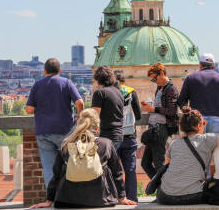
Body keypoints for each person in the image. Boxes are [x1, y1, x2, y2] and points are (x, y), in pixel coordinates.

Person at [29, 109, 137, 208]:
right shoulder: (106, 144)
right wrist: (122, 197)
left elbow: (56, 175)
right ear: (97, 128)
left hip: (68, 201)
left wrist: (49, 200)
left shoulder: (66, 145)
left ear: (78, 126)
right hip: (101, 200)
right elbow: (117, 173)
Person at [26, 58, 84, 187]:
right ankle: (68, 197)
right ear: (60, 70)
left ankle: (52, 200)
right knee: (69, 165)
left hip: (43, 131)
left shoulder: (37, 85)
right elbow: (80, 102)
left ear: (44, 71)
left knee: (49, 168)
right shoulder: (66, 83)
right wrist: (79, 118)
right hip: (65, 131)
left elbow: (29, 109)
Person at [141, 63, 179, 179]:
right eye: (152, 79)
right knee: (145, 163)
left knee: (159, 163)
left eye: (154, 78)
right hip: (154, 127)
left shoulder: (171, 88)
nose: (154, 81)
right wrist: (151, 107)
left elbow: (172, 111)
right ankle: (159, 187)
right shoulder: (160, 87)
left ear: (162, 73)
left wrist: (153, 109)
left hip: (161, 128)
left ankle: (163, 191)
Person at [178, 53, 219, 133]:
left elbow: (181, 100)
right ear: (213, 66)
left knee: (198, 145)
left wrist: (188, 113)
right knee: (214, 145)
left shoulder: (190, 78)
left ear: (200, 65)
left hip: (197, 120)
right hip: (217, 119)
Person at [114, 72, 142, 202]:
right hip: (129, 134)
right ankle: (132, 198)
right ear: (124, 81)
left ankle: (115, 196)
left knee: (113, 168)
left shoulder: (109, 93)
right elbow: (139, 115)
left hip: (113, 135)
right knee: (130, 169)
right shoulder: (131, 92)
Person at [92, 66, 124, 152]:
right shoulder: (118, 92)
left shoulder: (99, 93)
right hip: (119, 135)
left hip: (106, 136)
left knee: (101, 164)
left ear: (98, 79)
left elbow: (94, 117)